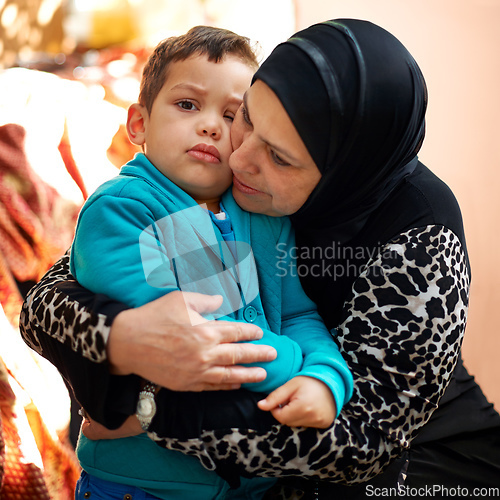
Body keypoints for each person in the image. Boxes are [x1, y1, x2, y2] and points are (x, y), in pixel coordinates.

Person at [20, 18, 500, 498]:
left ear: (340, 174)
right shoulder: (208, 193)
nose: (240, 156)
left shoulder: (421, 239)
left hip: (423, 467)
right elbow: (50, 301)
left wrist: (144, 411)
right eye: (248, 117)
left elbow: (360, 444)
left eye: (280, 157)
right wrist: (121, 341)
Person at [51, 25, 353, 500]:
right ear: (138, 125)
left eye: (233, 115)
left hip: (247, 485)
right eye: (187, 104)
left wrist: (325, 378)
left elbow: (298, 313)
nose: (211, 125)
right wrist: (296, 365)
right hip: (141, 483)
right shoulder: (123, 209)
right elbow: (194, 336)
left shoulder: (261, 214)